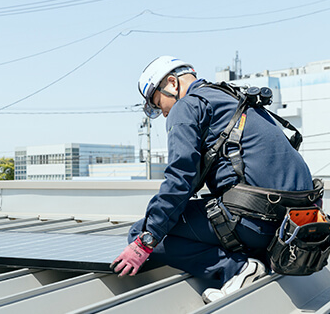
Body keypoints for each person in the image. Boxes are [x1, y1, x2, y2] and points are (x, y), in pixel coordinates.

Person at [110, 56, 316, 303]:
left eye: (158, 103)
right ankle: (254, 260)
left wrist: (146, 240)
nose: (163, 113)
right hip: (296, 224)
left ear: (172, 84)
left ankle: (236, 269)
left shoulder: (187, 106)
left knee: (141, 231)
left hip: (258, 222)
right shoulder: (234, 98)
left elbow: (179, 179)